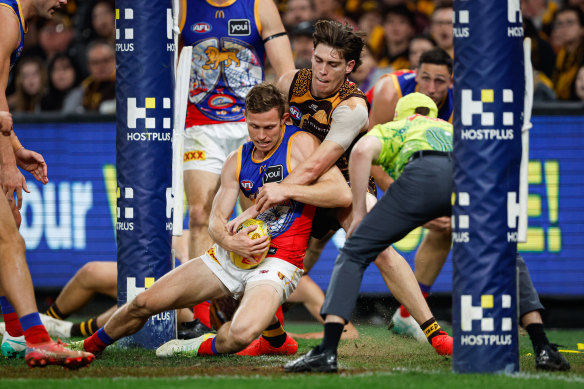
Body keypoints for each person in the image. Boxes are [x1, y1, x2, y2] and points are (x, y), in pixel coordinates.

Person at [70, 83, 352, 358]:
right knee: (143, 303)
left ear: (285, 120)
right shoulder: (237, 159)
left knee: (241, 334)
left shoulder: (300, 143)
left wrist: (287, 188)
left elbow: (341, 194)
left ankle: (192, 346)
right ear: (246, 120)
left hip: (278, 264)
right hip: (230, 256)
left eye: (269, 127)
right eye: (254, 127)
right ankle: (86, 347)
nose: (262, 136)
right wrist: (230, 241)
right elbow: (215, 221)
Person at [237, 19, 452, 359]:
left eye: (333, 64)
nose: (322, 71)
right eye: (318, 60)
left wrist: (276, 193)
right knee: (271, 252)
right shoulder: (290, 82)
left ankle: (434, 333)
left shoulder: (352, 107)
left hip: (346, 182)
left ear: (349, 67)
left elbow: (319, 163)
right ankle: (273, 336)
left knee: (377, 247)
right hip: (303, 184)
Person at [286, 93, 453, 373]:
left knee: (359, 251)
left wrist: (360, 210)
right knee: (503, 248)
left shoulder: (376, 116)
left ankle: (319, 346)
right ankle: (531, 336)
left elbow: (363, 152)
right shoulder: (450, 130)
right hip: (319, 183)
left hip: (327, 183)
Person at [0, 0, 94, 368]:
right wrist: (7, 164)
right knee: (9, 238)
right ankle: (35, 338)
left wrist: (17, 150)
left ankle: (19, 334)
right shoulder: (6, 20)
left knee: (10, 231)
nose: (64, 2)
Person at [179, 0, 294, 268]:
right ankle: (202, 308)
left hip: (251, 124)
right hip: (200, 124)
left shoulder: (260, 6)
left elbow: (286, 74)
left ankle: (256, 292)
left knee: (256, 212)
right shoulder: (182, 6)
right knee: (199, 214)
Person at [551, 6, 584, 100]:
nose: (564, 28)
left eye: (570, 23)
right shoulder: (559, 56)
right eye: (559, 24)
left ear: (582, 28)